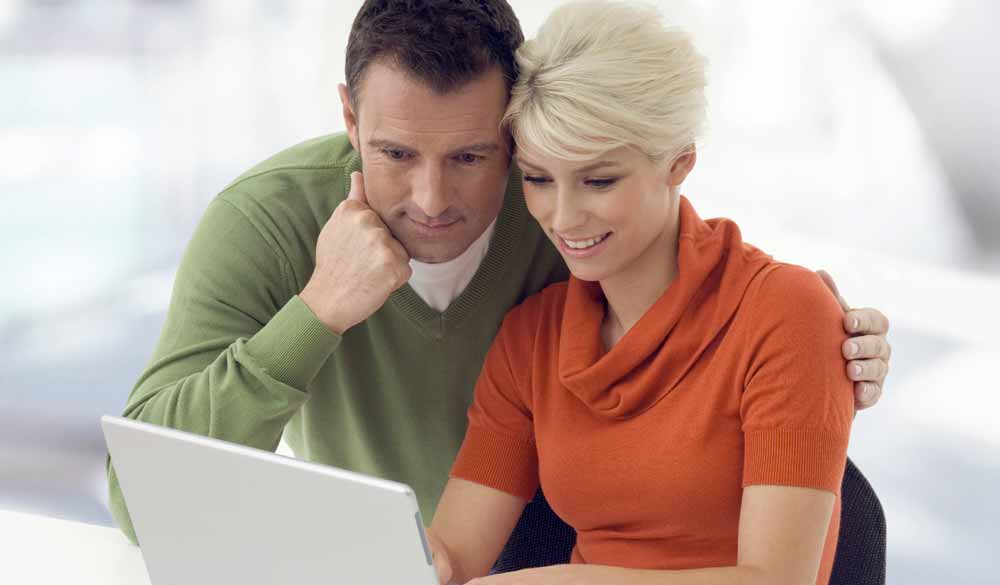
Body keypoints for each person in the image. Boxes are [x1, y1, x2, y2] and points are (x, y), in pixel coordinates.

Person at [106, 0, 892, 548]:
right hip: (419, 555)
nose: (433, 199)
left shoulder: (560, 210)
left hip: (561, 539)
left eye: (473, 157)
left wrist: (824, 334)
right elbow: (143, 499)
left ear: (515, 131)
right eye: (395, 154)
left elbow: (695, 284)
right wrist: (316, 312)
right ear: (350, 118)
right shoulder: (263, 222)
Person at [426, 2, 871, 584]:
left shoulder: (786, 312)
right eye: (538, 179)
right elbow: (452, 560)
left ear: (678, 163)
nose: (563, 216)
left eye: (599, 179)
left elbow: (775, 579)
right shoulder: (532, 337)